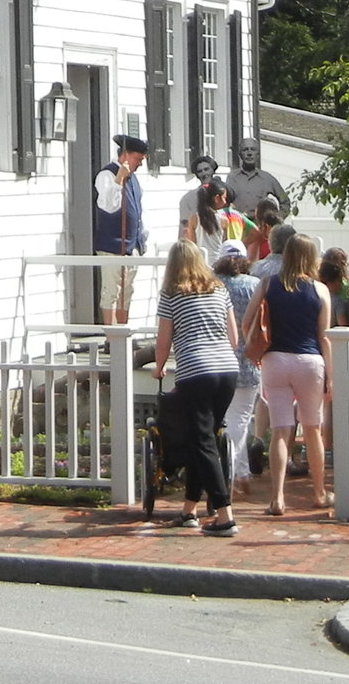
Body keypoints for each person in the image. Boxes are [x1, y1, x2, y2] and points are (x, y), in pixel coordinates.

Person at [152, 240, 241, 535]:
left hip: (196, 371)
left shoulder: (171, 294)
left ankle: (224, 515)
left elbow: (164, 338)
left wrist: (160, 365)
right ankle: (189, 509)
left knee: (202, 441)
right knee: (203, 439)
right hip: (227, 369)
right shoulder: (219, 289)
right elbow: (234, 338)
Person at [241, 230, 333, 515]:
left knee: (280, 431)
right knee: (313, 429)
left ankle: (277, 498)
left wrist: (254, 348)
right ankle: (319, 493)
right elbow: (324, 336)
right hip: (309, 361)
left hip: (275, 360)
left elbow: (247, 322)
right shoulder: (320, 290)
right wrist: (330, 375)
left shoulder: (268, 284)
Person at [214, 247, 264, 499]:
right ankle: (235, 473)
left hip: (217, 362)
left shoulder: (212, 286)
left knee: (226, 421)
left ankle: (235, 473)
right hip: (248, 361)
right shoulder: (255, 285)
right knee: (240, 422)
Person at [91, 134, 148, 324]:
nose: (140, 164)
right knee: (111, 290)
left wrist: (141, 240)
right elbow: (107, 205)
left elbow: (137, 211)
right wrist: (118, 179)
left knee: (127, 290)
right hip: (112, 244)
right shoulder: (107, 175)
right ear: (125, 155)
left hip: (131, 246)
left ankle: (122, 332)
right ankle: (111, 335)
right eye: (137, 159)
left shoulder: (134, 179)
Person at [179, 171, 235, 249]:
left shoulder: (193, 219)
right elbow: (225, 245)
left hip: (201, 259)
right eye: (224, 198)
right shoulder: (224, 220)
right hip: (218, 260)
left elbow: (193, 244)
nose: (225, 202)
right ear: (216, 198)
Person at [319, 247, 349, 328]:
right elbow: (344, 327)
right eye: (341, 263)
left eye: (344, 263)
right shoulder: (336, 300)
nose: (343, 267)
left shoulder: (347, 284)